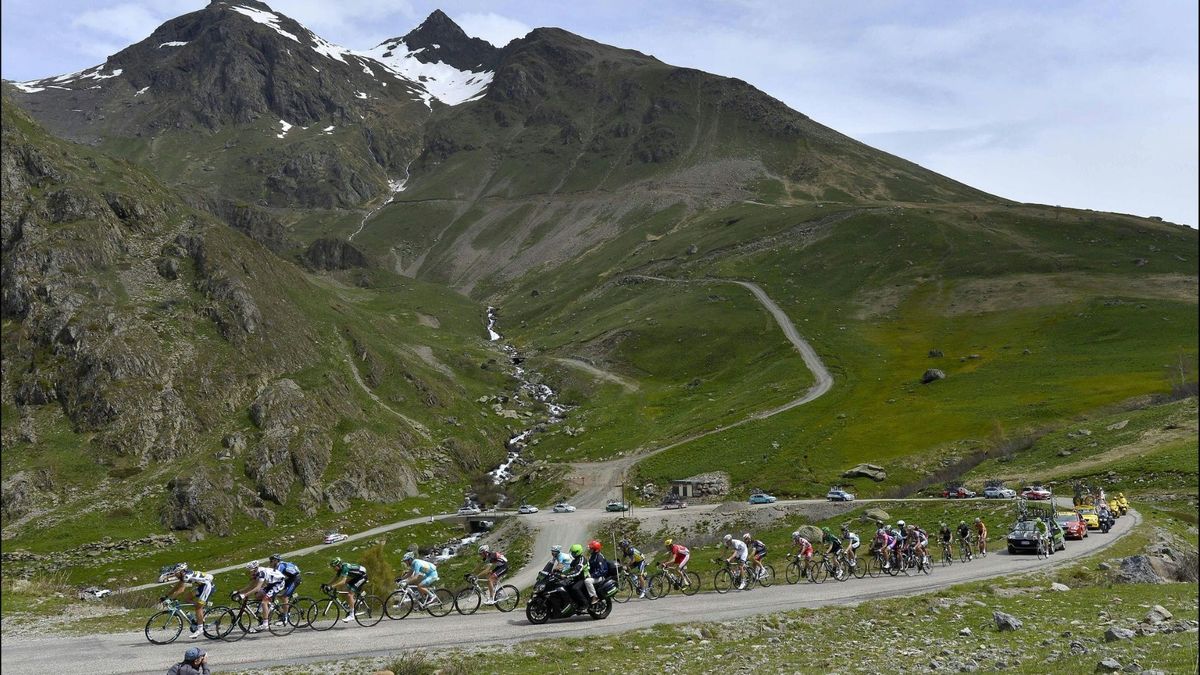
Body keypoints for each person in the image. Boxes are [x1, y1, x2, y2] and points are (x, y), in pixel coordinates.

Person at [161, 564, 213, 639]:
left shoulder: (186, 576)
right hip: (201, 586)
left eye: (176, 573)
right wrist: (166, 596)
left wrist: (170, 599)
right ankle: (201, 611)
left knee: (198, 608)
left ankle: (200, 629)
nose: (175, 575)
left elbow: (181, 590)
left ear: (181, 571)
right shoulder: (184, 575)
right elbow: (177, 586)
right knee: (187, 598)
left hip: (207, 586)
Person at [235, 560, 286, 632]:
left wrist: (244, 595)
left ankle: (265, 624)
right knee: (258, 595)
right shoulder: (256, 573)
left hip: (279, 583)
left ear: (255, 569)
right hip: (272, 583)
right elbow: (251, 585)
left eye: (250, 571)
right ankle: (270, 605)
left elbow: (257, 588)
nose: (249, 572)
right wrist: (238, 591)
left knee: (264, 602)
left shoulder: (261, 573)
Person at [325, 557, 368, 622]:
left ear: (338, 565)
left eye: (334, 567)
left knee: (349, 594)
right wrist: (327, 584)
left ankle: (352, 615)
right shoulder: (340, 568)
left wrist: (332, 587)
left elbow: (342, 581)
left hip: (362, 577)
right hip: (357, 577)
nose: (333, 569)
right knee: (345, 588)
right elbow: (336, 578)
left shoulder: (345, 568)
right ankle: (355, 601)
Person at [269, 554, 301, 620]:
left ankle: (285, 617)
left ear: (276, 561)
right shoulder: (277, 566)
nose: (270, 562)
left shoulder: (280, 567)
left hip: (295, 579)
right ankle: (283, 611)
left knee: (284, 597)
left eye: (271, 561)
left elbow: (277, 579)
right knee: (276, 593)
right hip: (290, 578)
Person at [562, 543, 591, 609]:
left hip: (584, 578)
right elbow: (570, 569)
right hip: (577, 578)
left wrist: (566, 576)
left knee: (575, 588)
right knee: (566, 586)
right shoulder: (575, 560)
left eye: (573, 553)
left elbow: (577, 571)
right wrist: (561, 572)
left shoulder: (581, 560)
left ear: (578, 552)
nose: (572, 554)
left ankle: (585, 603)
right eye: (572, 552)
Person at [585, 540, 611, 606]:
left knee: (587, 581)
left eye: (591, 549)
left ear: (595, 550)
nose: (590, 550)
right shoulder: (593, 556)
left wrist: (591, 575)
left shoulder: (599, 557)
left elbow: (601, 571)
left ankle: (594, 597)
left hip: (600, 577)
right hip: (594, 575)